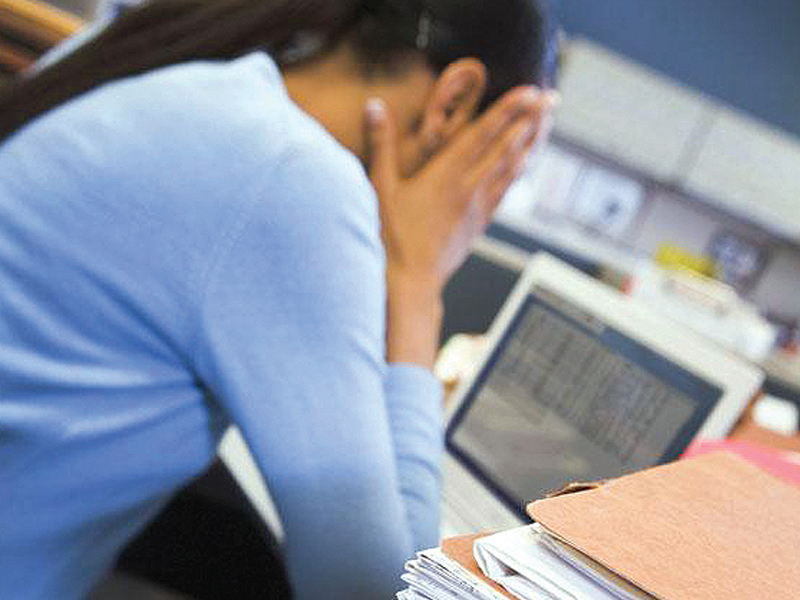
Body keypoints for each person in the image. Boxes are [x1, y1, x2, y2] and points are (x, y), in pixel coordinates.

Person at [0, 0, 555, 597]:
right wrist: (418, 283)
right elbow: (379, 590)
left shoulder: (194, 76)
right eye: (498, 174)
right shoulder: (293, 177)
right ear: (453, 101)